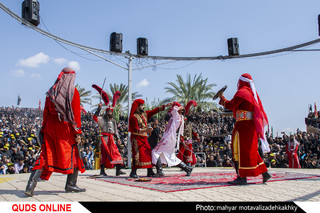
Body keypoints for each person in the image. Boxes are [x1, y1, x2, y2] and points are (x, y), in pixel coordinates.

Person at [25, 67, 86, 197]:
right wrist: (78, 132)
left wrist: (43, 128)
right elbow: (75, 116)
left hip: (50, 126)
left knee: (45, 155)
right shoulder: (73, 92)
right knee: (74, 153)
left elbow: (46, 112)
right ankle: (71, 184)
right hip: (65, 128)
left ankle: (30, 186)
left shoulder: (51, 91)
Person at [217, 73, 272, 185]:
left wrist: (221, 97)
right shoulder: (251, 93)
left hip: (243, 126)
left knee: (238, 151)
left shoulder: (243, 92)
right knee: (249, 151)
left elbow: (231, 105)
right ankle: (265, 173)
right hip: (248, 126)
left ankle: (242, 177)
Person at [128, 99, 168, 178]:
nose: (143, 107)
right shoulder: (133, 117)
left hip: (144, 138)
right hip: (136, 138)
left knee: (148, 154)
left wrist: (164, 106)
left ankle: (150, 171)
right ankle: (133, 172)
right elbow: (136, 129)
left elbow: (154, 111)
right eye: (142, 105)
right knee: (137, 155)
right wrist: (147, 130)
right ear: (137, 107)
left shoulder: (144, 114)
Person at [152, 102, 193, 176]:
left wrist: (180, 106)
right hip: (169, 138)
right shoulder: (176, 117)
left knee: (155, 152)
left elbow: (174, 110)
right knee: (170, 156)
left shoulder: (177, 116)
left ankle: (160, 171)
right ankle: (187, 168)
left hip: (168, 138)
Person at [92, 84, 125, 176]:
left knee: (116, 153)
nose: (109, 113)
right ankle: (102, 171)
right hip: (104, 139)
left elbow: (116, 131)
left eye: (111, 112)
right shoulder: (102, 119)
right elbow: (95, 117)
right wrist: (98, 108)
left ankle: (118, 169)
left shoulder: (114, 121)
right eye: (108, 111)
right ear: (106, 112)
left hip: (112, 139)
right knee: (105, 154)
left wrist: (118, 138)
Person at [177, 101, 199, 167]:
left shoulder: (190, 125)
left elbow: (193, 132)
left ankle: (188, 165)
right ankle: (183, 165)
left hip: (189, 141)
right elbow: (180, 134)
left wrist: (197, 137)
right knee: (182, 154)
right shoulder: (180, 126)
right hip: (182, 142)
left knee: (189, 153)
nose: (185, 122)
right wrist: (182, 141)